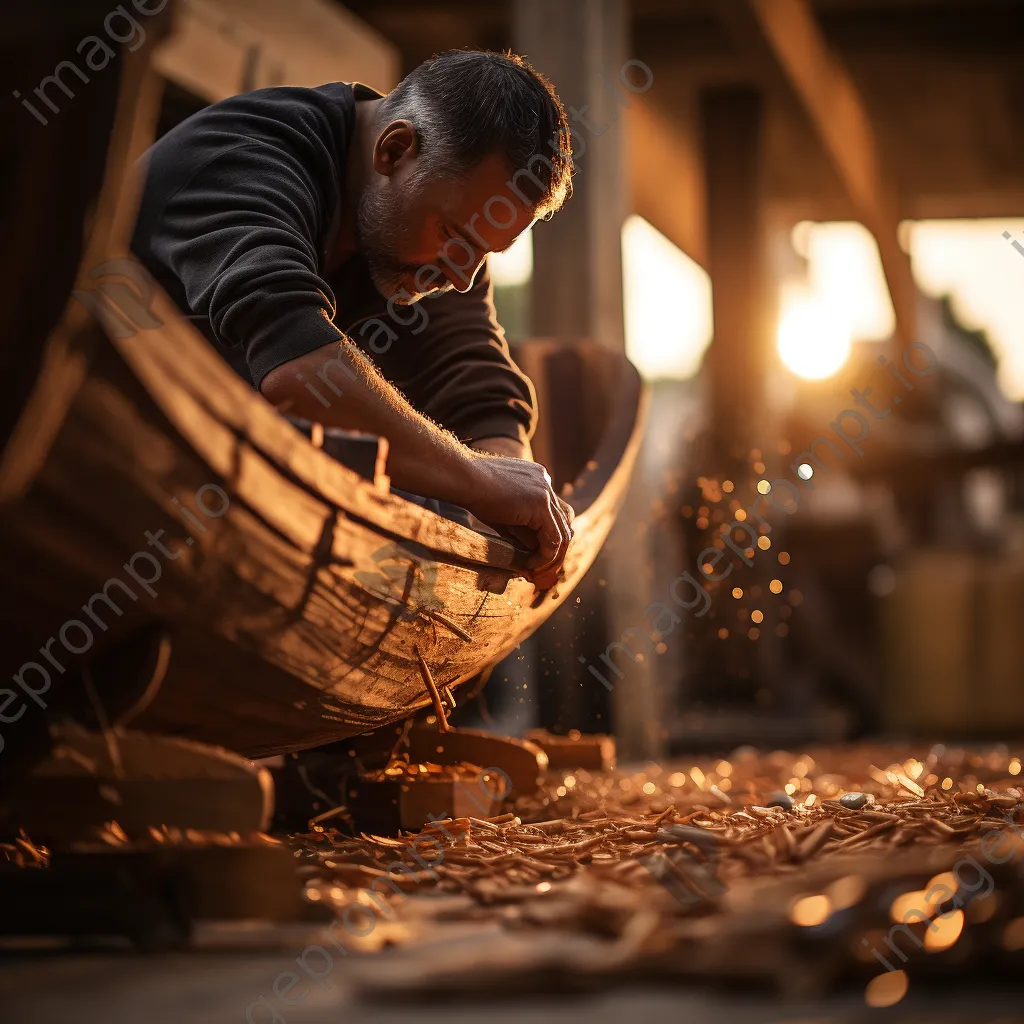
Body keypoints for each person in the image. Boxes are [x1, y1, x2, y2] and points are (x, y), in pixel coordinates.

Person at [131, 49, 576, 588]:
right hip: (114, 504)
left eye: (485, 253)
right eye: (457, 239)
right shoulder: (245, 157)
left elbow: (474, 379)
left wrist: (518, 494)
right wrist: (479, 480)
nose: (463, 277)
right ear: (394, 150)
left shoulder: (435, 230)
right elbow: (299, 374)